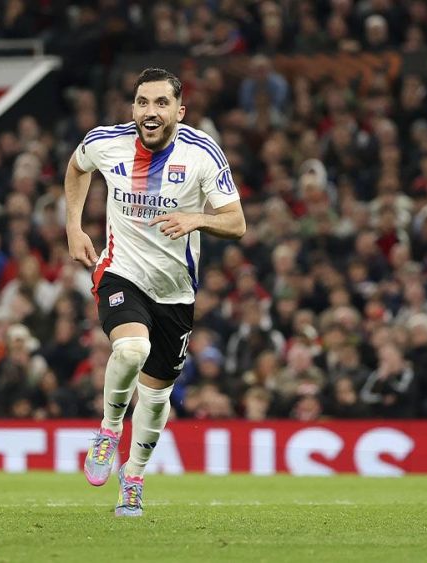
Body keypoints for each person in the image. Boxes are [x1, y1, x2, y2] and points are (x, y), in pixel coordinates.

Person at [64, 68, 245, 517]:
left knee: (157, 395)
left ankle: (134, 479)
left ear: (178, 111)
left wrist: (197, 219)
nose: (150, 111)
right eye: (143, 102)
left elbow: (237, 223)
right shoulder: (106, 141)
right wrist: (72, 226)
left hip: (176, 292)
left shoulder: (202, 152)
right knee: (130, 349)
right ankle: (108, 431)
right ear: (133, 107)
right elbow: (76, 167)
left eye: (161, 103)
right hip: (121, 272)